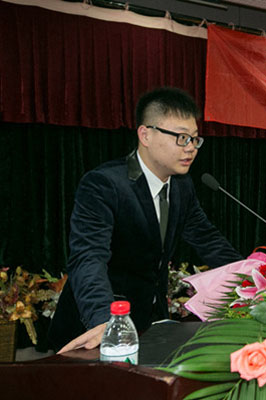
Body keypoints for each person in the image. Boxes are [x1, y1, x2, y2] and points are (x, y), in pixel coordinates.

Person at [48, 87, 242, 353]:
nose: (190, 148)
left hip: (147, 324)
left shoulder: (182, 186)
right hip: (94, 326)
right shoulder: (104, 184)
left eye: (194, 139)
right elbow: (88, 257)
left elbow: (208, 240)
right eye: (181, 138)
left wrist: (252, 279)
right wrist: (105, 321)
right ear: (145, 135)